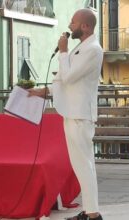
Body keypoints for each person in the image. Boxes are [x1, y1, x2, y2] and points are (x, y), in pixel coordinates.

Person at [28, 9, 103, 220]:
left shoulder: (93, 50)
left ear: (85, 27)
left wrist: (62, 51)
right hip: (72, 113)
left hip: (80, 115)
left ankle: (93, 214)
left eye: (73, 22)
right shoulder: (80, 49)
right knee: (82, 166)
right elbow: (63, 80)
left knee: (84, 166)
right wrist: (42, 92)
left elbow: (69, 77)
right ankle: (91, 211)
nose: (69, 26)